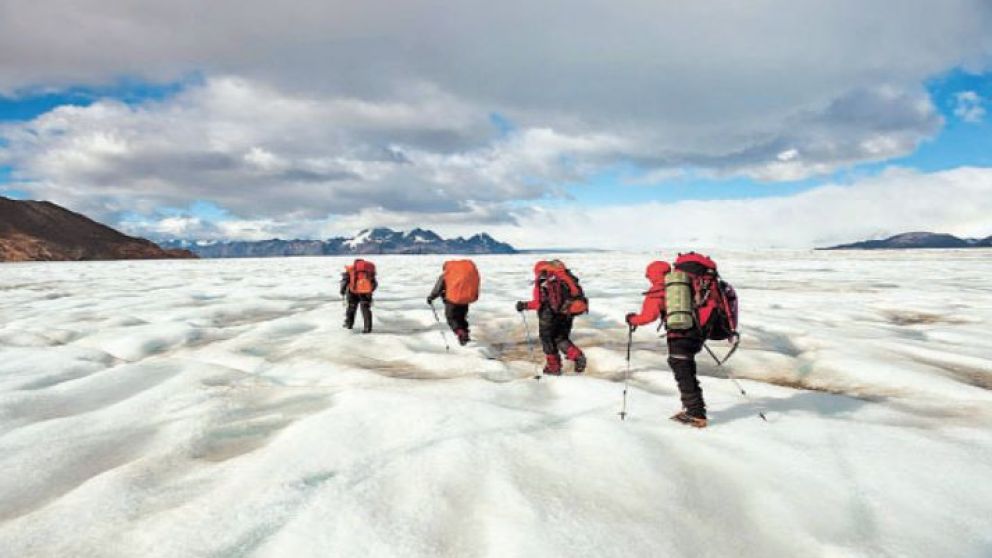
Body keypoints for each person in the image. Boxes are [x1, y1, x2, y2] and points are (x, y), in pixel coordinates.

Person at [626, 253, 736, 429]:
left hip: (681, 334)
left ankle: (696, 413)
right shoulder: (689, 284)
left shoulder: (661, 288)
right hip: (698, 332)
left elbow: (648, 316)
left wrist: (632, 319)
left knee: (682, 369)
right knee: (685, 367)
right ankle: (693, 408)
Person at [515, 260, 588, 375]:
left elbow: (538, 303)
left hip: (548, 315)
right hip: (567, 312)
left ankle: (554, 367)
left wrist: (524, 305)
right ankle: (577, 356)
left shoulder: (544, 280)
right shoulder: (565, 277)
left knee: (547, 340)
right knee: (560, 338)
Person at [427, 259, 481, 346]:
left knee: (451, 318)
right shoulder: (466, 275)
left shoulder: (446, 275)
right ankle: (466, 335)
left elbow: (438, 287)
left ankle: (461, 335)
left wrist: (431, 297)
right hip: (465, 299)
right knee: (461, 318)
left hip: (452, 300)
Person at [340, 258, 377, 333]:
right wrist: (369, 290)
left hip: (352, 292)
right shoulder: (369, 270)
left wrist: (342, 291)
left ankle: (349, 324)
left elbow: (345, 281)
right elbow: (374, 283)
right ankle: (367, 328)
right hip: (366, 293)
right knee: (366, 310)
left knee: (351, 308)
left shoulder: (351, 268)